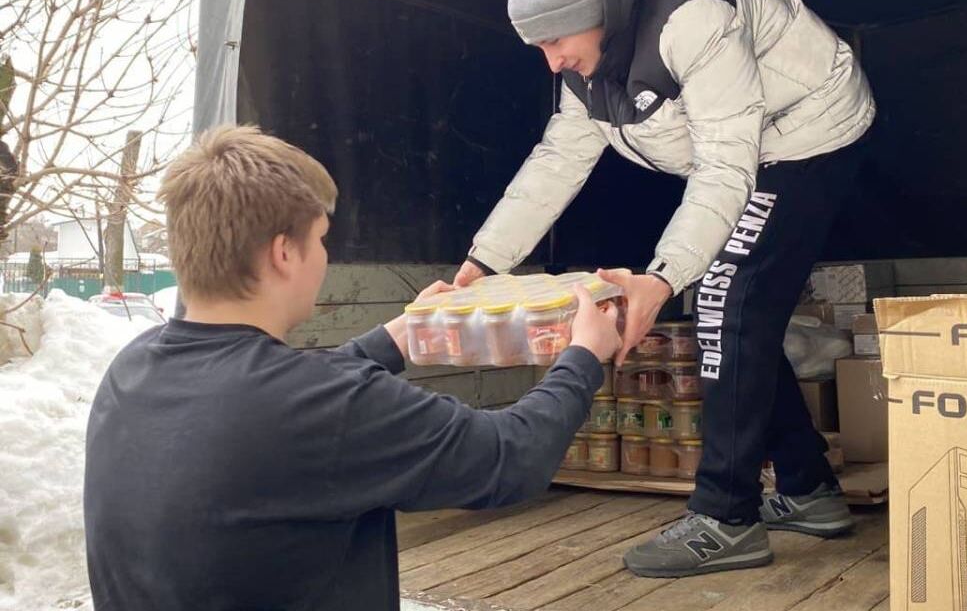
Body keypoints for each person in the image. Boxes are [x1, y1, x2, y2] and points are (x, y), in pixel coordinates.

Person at [454, 0, 876, 577]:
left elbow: (725, 167)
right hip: (748, 146)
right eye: (538, 46)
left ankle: (726, 516)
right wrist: (481, 265)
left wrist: (662, 278)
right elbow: (559, 159)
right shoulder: (583, 65)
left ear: (590, 14)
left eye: (556, 40)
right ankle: (808, 487)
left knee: (724, 301)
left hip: (804, 132)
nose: (552, 61)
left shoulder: (691, 19)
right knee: (736, 312)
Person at [83, 126, 622, 610]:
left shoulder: (132, 370)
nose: (324, 257)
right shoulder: (325, 403)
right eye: (319, 239)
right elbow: (512, 457)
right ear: (283, 254)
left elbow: (281, 400)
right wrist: (582, 356)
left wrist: (396, 337)